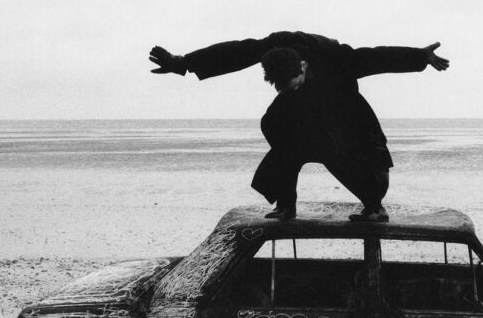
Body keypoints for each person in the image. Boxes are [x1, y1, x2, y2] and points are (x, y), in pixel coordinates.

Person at [148, 32, 449, 221]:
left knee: (340, 153)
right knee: (278, 128)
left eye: (294, 83)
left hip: (346, 120)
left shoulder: (335, 58)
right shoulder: (275, 48)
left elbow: (376, 56)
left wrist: (419, 55)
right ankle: (285, 204)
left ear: (303, 66)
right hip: (307, 119)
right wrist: (183, 63)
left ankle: (374, 205)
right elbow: (237, 51)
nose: (290, 89)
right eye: (283, 87)